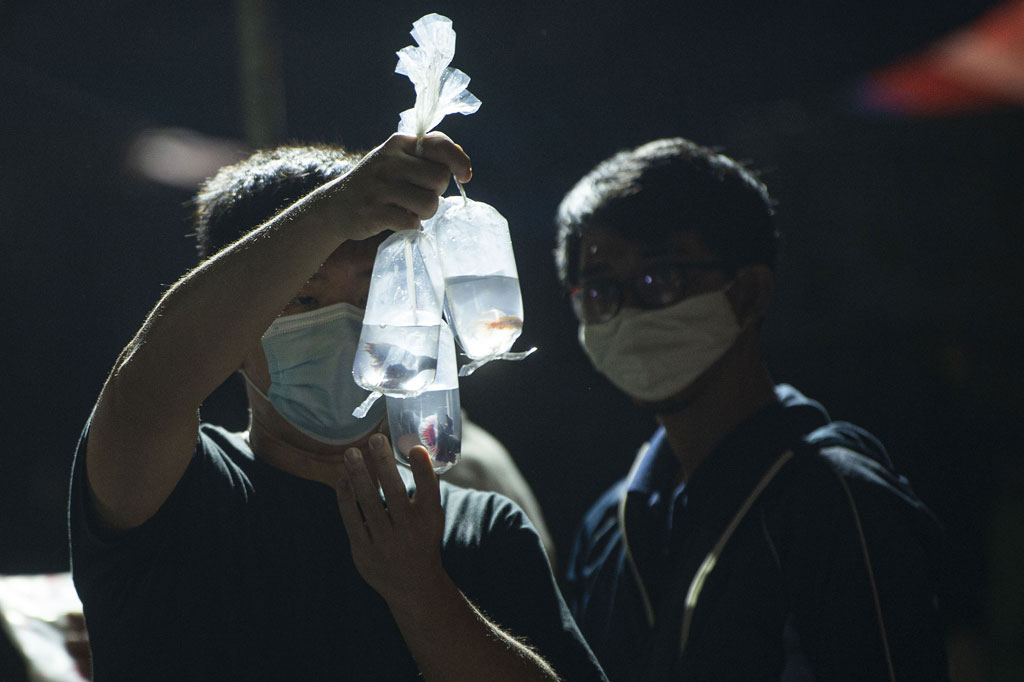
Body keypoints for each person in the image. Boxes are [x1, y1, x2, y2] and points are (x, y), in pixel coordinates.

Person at [68, 133, 605, 681]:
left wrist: (423, 595)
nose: (350, 321)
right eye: (303, 298)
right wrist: (333, 212)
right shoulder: (175, 494)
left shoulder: (478, 528)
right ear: (234, 325)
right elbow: (150, 388)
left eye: (378, 293)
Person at [555, 138, 948, 681]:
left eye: (660, 279)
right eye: (601, 292)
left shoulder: (836, 502)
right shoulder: (609, 528)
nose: (628, 315)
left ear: (749, 294)